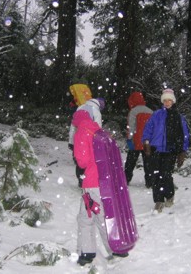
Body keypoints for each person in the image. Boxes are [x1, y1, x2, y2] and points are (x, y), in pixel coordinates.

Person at [72, 110, 127, 266]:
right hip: (107, 179)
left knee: (98, 216)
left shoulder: (82, 132)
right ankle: (88, 251)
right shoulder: (100, 131)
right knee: (86, 216)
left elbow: (82, 161)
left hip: (93, 182)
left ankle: (115, 248)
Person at [142, 88, 190, 213]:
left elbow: (184, 135)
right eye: (165, 100)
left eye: (169, 100)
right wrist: (146, 141)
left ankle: (169, 195)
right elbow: (148, 129)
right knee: (156, 176)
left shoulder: (178, 117)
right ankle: (158, 201)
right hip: (156, 149)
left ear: (173, 101)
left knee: (166, 175)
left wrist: (182, 151)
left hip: (170, 150)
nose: (167, 102)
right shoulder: (156, 115)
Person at [68, 98, 105, 187]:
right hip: (89, 140)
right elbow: (97, 129)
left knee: (80, 159)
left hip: (78, 137)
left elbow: (73, 126)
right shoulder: (96, 111)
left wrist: (71, 141)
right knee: (89, 161)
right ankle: (87, 181)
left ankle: (80, 179)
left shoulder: (81, 107)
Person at [124, 92, 153, 187]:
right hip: (147, 142)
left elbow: (131, 127)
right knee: (148, 163)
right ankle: (150, 182)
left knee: (130, 162)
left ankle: (126, 179)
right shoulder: (150, 111)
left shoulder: (133, 111)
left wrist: (129, 138)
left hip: (135, 141)